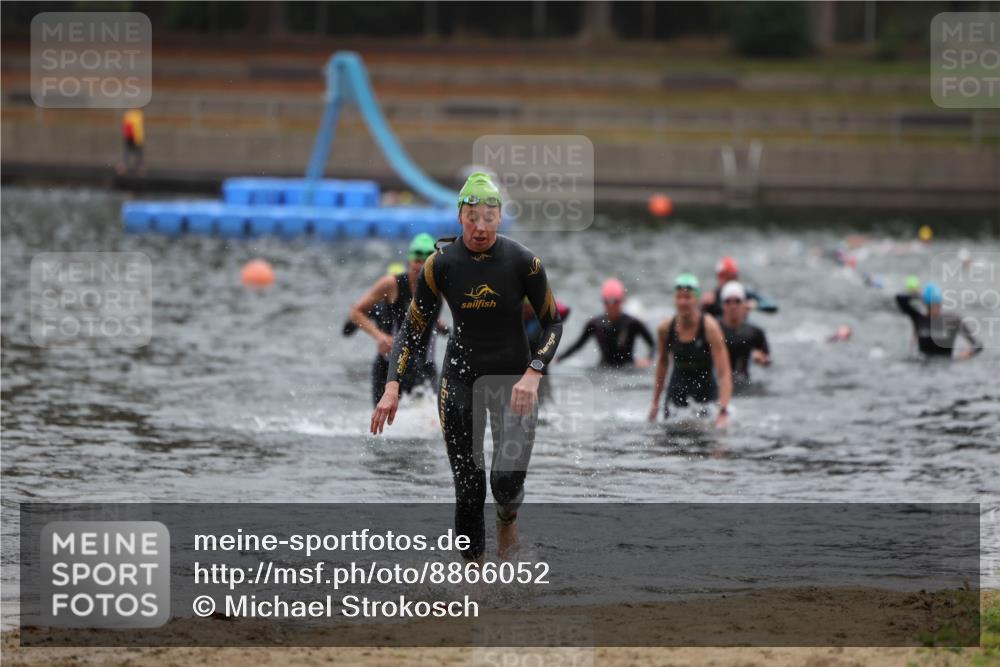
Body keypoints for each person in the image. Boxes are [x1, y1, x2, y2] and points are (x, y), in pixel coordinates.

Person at [370, 172, 563, 564]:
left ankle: (507, 518)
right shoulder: (439, 265)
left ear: (499, 219)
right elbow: (413, 327)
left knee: (505, 483)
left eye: (489, 218)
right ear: (460, 216)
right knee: (469, 485)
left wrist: (534, 373)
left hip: (515, 381)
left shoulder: (523, 262)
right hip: (460, 376)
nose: (480, 227)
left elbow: (553, 324)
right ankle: (475, 579)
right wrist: (392, 386)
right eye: (473, 217)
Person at [350, 235, 440, 405]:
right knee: (384, 425)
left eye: (426, 262)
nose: (421, 267)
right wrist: (379, 336)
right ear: (409, 261)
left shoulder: (440, 286)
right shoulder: (391, 284)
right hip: (389, 367)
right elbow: (356, 312)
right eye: (417, 261)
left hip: (425, 367)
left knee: (433, 423)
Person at [648, 273, 732, 428]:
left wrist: (724, 409)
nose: (683, 302)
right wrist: (655, 403)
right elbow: (662, 364)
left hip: (705, 390)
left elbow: (724, 372)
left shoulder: (709, 328)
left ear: (697, 299)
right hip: (677, 390)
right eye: (679, 297)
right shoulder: (665, 328)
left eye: (687, 297)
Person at [556, 278, 655, 368]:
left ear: (622, 301)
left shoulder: (633, 323)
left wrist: (648, 359)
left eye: (615, 302)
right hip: (603, 369)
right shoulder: (595, 324)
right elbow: (577, 345)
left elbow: (653, 345)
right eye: (607, 302)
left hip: (628, 369)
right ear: (603, 302)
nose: (611, 306)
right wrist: (558, 359)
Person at [895, 283, 982, 359]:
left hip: (945, 365)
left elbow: (978, 345)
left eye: (937, 304)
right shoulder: (919, 318)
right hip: (923, 364)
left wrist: (966, 355)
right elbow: (899, 298)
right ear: (926, 305)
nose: (936, 308)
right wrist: (919, 295)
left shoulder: (952, 321)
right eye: (932, 305)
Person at [718, 281, 771, 388]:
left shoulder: (755, 332)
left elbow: (767, 361)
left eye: (737, 301)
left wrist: (762, 360)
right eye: (728, 301)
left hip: (744, 383)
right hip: (718, 383)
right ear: (722, 305)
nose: (733, 306)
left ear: (744, 305)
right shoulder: (713, 329)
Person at [702, 256, 778, 317]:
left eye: (732, 278)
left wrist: (755, 305)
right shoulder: (713, 297)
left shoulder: (744, 292)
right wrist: (703, 306)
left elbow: (773, 306)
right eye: (726, 278)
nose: (730, 282)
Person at [120, 108, 145, 174]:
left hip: (132, 137)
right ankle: (138, 168)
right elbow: (137, 128)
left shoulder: (129, 114)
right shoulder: (138, 114)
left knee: (128, 153)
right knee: (136, 153)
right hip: (135, 137)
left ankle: (125, 167)